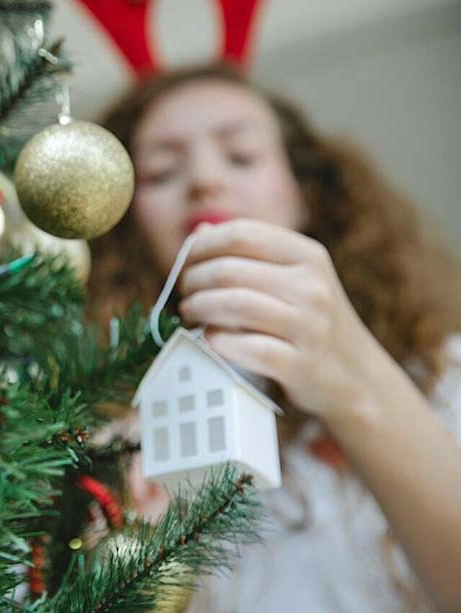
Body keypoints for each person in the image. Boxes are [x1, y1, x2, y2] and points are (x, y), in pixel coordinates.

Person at [87, 64, 461, 612]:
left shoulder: (441, 378)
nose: (204, 181)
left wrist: (355, 379)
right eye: (162, 172)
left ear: (306, 192)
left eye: (240, 156)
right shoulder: (111, 436)